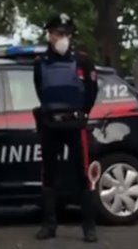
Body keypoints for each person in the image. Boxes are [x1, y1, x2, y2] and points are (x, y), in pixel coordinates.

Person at [32, 13, 99, 243]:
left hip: (75, 123)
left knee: (83, 173)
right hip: (51, 123)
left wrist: (82, 112)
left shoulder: (82, 60)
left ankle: (89, 227)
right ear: (49, 35)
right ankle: (49, 225)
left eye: (66, 34)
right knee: (49, 175)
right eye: (58, 33)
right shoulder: (40, 63)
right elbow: (40, 91)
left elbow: (91, 91)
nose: (62, 38)